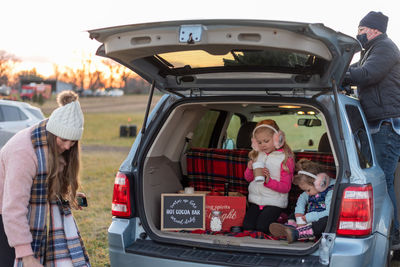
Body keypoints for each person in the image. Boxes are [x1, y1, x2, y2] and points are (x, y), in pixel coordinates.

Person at [0, 91, 91, 266]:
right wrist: (26, 256)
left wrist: (68, 196)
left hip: (19, 207)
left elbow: (46, 181)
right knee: (9, 260)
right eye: (64, 140)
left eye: (72, 142)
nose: (67, 146)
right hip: (4, 210)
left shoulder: (52, 146)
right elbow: (13, 208)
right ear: (53, 132)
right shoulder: (24, 152)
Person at [346, 11, 400, 245]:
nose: (358, 35)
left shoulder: (385, 48)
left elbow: (366, 74)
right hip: (378, 125)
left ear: (374, 30)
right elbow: (356, 69)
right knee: (380, 181)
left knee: (383, 182)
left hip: (387, 125)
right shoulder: (372, 50)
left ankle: (393, 236)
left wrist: (338, 77)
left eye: (361, 30)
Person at [242, 119, 294, 234]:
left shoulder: (285, 159)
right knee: (247, 227)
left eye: (266, 141)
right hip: (256, 201)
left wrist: (269, 181)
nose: (263, 145)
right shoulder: (256, 155)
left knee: (262, 227)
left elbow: (286, 187)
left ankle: (283, 219)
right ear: (254, 143)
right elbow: (248, 179)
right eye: (259, 142)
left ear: (277, 139)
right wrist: (249, 169)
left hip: (274, 202)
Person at [269, 159, 335, 243]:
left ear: (320, 183)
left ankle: (297, 233)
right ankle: (291, 226)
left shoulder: (330, 191)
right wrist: (299, 214)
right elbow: (301, 200)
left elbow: (329, 212)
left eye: (308, 190)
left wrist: (309, 217)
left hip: (318, 219)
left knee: (326, 222)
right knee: (294, 212)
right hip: (308, 218)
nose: (307, 193)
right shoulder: (310, 191)